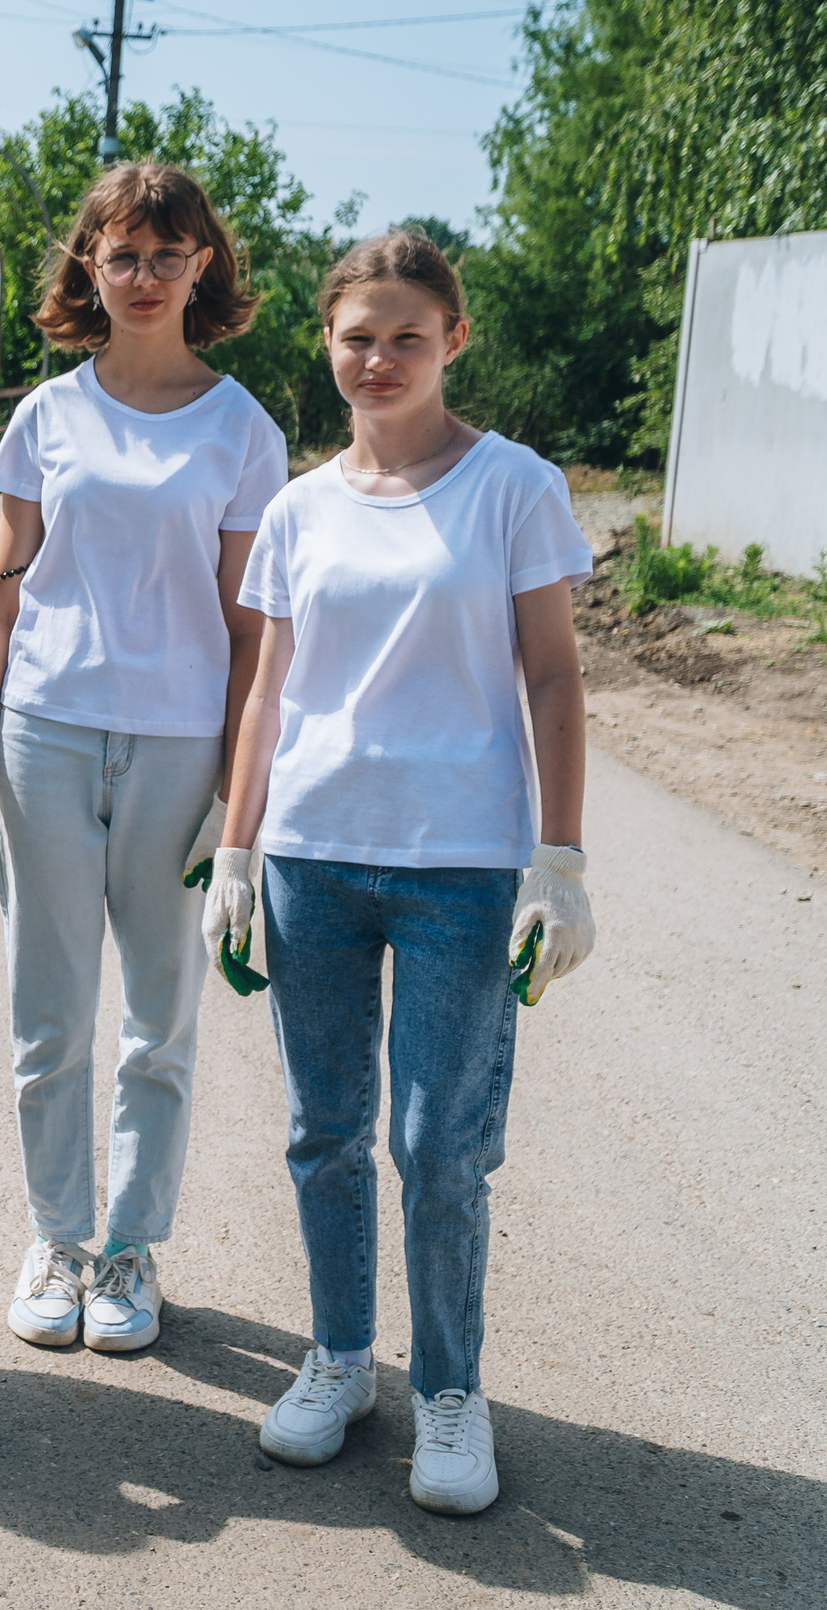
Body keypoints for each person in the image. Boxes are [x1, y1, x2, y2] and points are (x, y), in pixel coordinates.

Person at [204, 228, 594, 1515]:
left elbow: (551, 675)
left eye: (405, 337)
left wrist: (560, 856)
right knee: (323, 1132)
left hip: (461, 869)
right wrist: (239, 849)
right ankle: (334, 1359)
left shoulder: (513, 487)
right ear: (326, 343)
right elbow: (267, 689)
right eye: (355, 337)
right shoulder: (301, 508)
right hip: (314, 857)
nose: (377, 360)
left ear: (452, 341)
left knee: (438, 1146)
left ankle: (447, 1386)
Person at [0, 160, 287, 1355]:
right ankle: (58, 1236)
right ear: (89, 265)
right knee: (48, 1013)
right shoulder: (46, 415)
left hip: (182, 745)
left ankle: (131, 1248)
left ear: (204, 268)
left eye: (167, 253)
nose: (143, 275)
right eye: (121, 254)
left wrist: (236, 802)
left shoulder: (243, 429)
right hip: (44, 729)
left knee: (158, 1015)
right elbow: (0, 593)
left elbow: (252, 631)